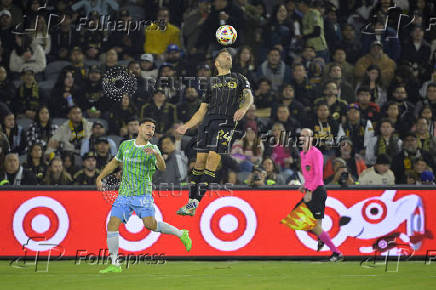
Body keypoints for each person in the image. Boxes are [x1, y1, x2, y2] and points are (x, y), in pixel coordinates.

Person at [96, 118, 191, 273]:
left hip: (143, 195)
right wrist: (100, 177)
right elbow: (114, 163)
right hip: (125, 194)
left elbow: (162, 167)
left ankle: (181, 233)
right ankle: (115, 264)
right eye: (148, 127)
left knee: (151, 225)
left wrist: (157, 155)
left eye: (153, 128)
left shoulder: (152, 148)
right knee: (112, 225)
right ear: (140, 128)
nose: (151, 131)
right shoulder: (125, 146)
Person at [175, 48, 253, 216]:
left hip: (226, 122)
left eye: (230, 56)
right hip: (207, 123)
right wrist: (187, 125)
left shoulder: (239, 78)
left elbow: (248, 96)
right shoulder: (210, 82)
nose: (228, 57)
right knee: (199, 162)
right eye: (224, 55)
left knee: (212, 158)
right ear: (217, 62)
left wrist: (244, 108)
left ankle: (195, 202)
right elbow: (201, 110)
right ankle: (190, 202)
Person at [294, 128, 343, 261]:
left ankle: (336, 252)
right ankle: (323, 239)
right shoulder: (303, 154)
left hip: (317, 192)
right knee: (303, 221)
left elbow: (318, 175)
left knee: (306, 222)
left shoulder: (316, 153)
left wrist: (309, 191)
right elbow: (311, 175)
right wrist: (305, 184)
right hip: (312, 189)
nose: (303, 138)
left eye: (306, 136)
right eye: (301, 136)